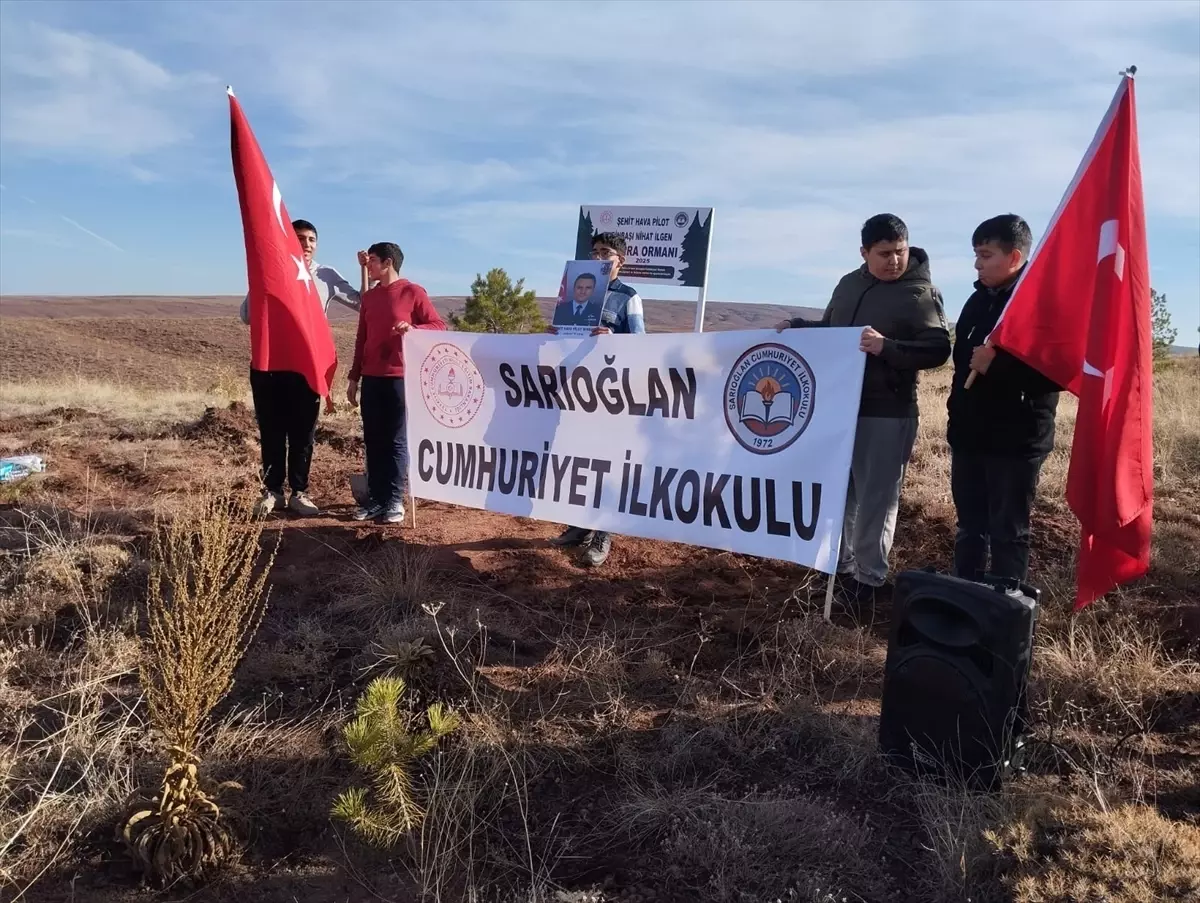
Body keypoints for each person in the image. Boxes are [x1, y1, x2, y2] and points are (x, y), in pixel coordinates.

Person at [777, 213, 950, 607]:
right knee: (841, 493)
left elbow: (938, 350)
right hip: (838, 410)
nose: (894, 261)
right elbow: (832, 332)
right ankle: (841, 568)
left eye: (900, 252)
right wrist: (797, 326)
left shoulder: (920, 294)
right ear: (864, 252)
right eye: (884, 253)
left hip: (886, 411)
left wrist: (886, 346)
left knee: (877, 498)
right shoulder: (848, 285)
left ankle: (870, 581)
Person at [947, 214, 1061, 584]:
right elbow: (961, 367)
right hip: (970, 437)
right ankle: (963, 599)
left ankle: (1005, 616)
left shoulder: (1042, 304)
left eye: (986, 255)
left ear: (1014, 257)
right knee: (969, 528)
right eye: (976, 255)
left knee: (1008, 533)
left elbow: (1057, 372)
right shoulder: (976, 302)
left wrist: (998, 367)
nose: (977, 264)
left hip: (1015, 442)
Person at [240, 219, 362, 517]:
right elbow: (246, 316)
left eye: (311, 239)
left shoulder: (326, 275)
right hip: (270, 362)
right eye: (300, 238)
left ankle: (300, 492)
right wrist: (262, 279)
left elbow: (363, 304)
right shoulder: (271, 269)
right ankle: (272, 492)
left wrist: (363, 269)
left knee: (302, 434)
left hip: (307, 365)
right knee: (271, 431)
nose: (306, 244)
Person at [548, 232, 646, 567]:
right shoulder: (574, 293)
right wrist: (555, 334)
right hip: (576, 392)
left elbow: (642, 344)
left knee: (608, 465)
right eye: (594, 252)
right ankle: (579, 526)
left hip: (609, 396)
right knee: (579, 463)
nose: (599, 257)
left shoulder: (628, 297)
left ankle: (604, 534)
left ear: (621, 260)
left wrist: (614, 338)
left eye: (606, 252)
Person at [347, 241, 446, 524]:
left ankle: (394, 500)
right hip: (372, 378)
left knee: (396, 440)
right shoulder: (370, 298)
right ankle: (376, 500)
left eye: (373, 260)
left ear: (388, 262)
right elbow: (360, 339)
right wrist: (354, 377)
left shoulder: (412, 292)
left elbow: (438, 325)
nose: (368, 264)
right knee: (373, 440)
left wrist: (413, 329)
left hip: (400, 378)